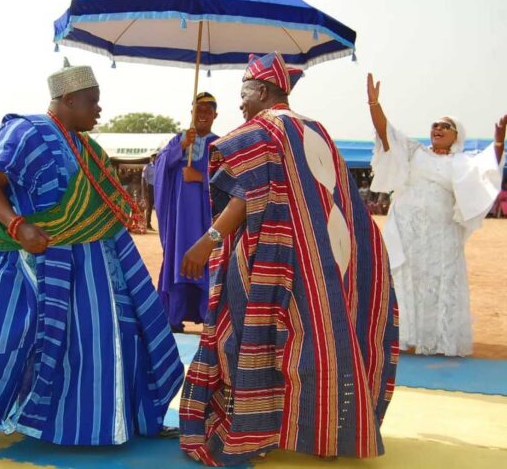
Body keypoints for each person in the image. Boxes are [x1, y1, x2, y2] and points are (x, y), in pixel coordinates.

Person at [0, 58, 184, 460]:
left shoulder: (88, 147)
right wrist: (18, 226)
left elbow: (101, 210)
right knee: (2, 338)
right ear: (67, 98)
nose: (99, 110)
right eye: (92, 101)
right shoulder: (24, 130)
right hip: (18, 257)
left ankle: (111, 420)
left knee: (103, 336)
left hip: (77, 261)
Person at [178, 53, 398, 466]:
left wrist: (208, 241)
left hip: (271, 261)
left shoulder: (261, 131)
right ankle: (329, 434)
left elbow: (247, 194)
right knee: (316, 346)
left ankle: (250, 428)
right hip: (324, 262)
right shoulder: (315, 130)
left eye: (243, 93)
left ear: (261, 91)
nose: (240, 103)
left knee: (247, 339)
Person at [367, 73, 506, 357]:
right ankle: (404, 338)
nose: (438, 128)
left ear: (457, 135)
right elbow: (386, 133)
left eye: (446, 125)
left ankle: (440, 341)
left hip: (442, 238)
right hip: (407, 233)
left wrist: (499, 142)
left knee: (439, 283)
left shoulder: (462, 162)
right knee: (407, 281)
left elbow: (488, 168)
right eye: (435, 125)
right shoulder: (414, 152)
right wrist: (374, 104)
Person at [154, 92, 219, 332]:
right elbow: (157, 172)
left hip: (205, 222)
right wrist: (181, 147)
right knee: (177, 261)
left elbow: (230, 182)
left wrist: (201, 178)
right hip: (178, 223)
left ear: (215, 115)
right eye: (198, 109)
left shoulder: (220, 144)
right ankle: (174, 315)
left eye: (208, 110)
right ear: (191, 112)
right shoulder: (177, 141)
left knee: (207, 262)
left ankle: (208, 315)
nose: (202, 114)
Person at [141, 154, 156, 230]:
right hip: (148, 188)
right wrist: (144, 192)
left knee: (153, 207)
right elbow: (143, 180)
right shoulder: (147, 167)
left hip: (156, 188)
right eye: (154, 157)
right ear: (151, 158)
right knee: (149, 207)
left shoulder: (158, 166)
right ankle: (147, 224)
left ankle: (148, 223)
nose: (155, 159)